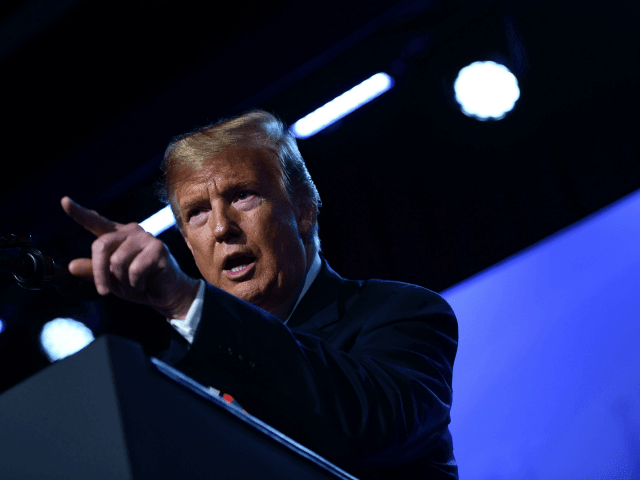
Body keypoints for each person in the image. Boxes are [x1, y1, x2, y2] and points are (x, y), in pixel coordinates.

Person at [61, 110, 459, 479]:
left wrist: (188, 303)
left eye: (241, 195)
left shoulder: (403, 313)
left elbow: (367, 427)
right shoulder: (168, 377)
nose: (220, 228)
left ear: (303, 209)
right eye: (196, 212)